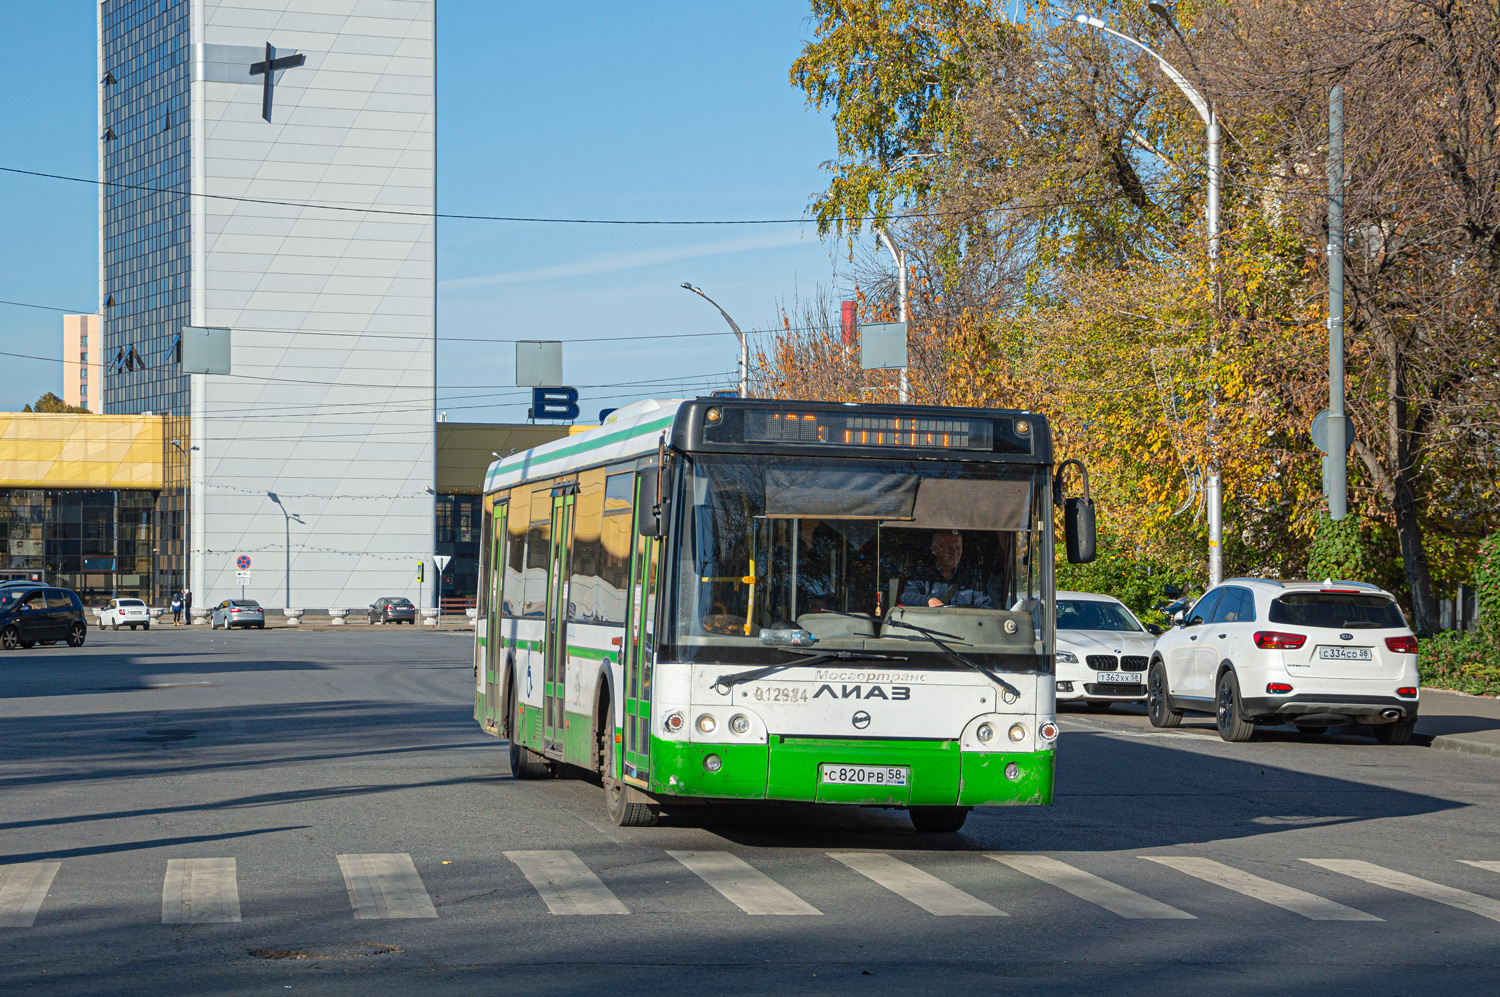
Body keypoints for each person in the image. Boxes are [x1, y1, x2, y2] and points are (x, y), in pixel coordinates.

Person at [899, 530, 994, 608]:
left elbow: (985, 608)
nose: (955, 553)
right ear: (934, 549)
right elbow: (907, 596)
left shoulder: (971, 577)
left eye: (958, 548)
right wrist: (928, 601)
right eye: (949, 548)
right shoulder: (922, 575)